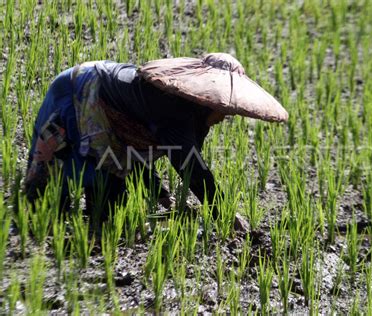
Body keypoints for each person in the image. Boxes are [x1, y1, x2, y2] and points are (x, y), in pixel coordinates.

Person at [24, 53, 288, 228]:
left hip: (94, 91)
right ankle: (43, 219)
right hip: (80, 90)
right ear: (209, 101)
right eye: (224, 110)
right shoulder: (177, 112)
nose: (225, 116)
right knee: (55, 181)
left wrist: (160, 194)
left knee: (111, 203)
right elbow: (192, 169)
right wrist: (224, 214)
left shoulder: (191, 116)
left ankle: (85, 225)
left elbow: (136, 152)